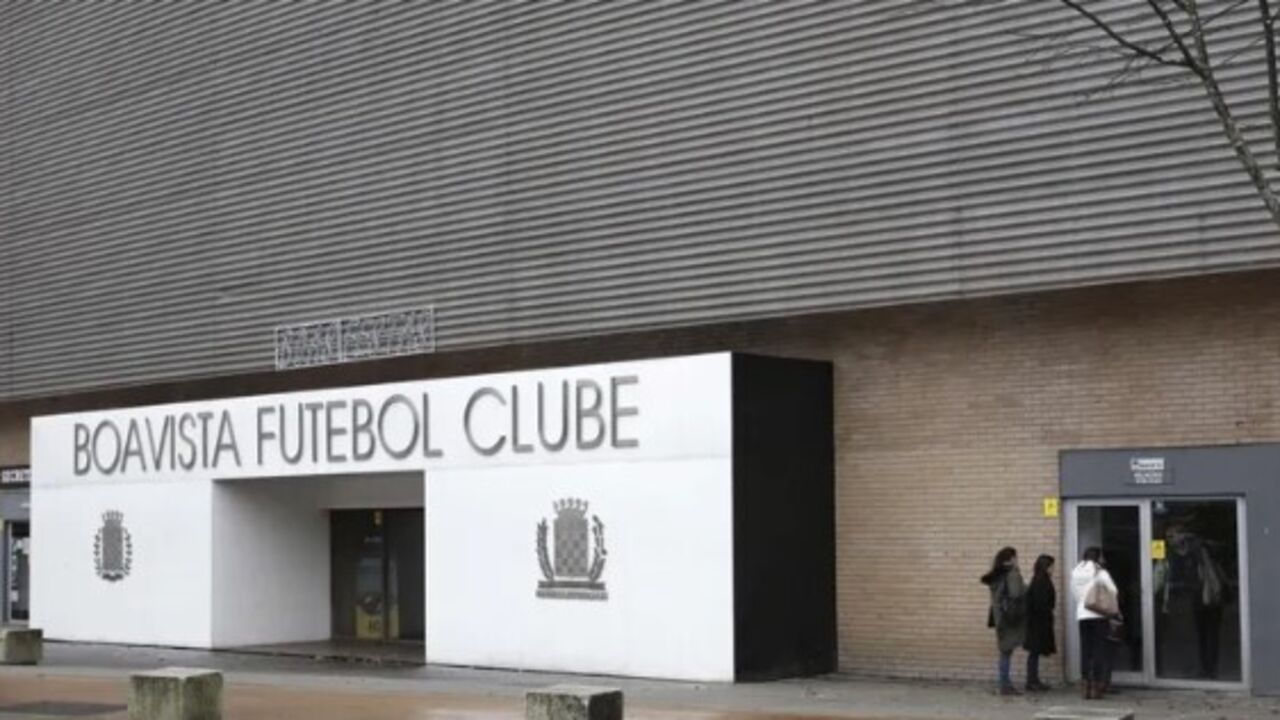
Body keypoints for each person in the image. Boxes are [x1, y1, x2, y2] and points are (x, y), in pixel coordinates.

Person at [1071, 547, 1119, 700]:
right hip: (1099, 614)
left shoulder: (1075, 572)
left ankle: (1086, 686)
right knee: (1099, 650)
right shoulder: (1100, 572)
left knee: (1086, 650)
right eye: (1101, 556)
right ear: (1098, 557)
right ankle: (1096, 687)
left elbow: (1075, 593)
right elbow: (1113, 590)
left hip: (1082, 614)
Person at [981, 546, 1026, 695]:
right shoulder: (1012, 573)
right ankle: (1005, 685)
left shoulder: (996, 575)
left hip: (999, 616)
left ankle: (1004, 683)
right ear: (1012, 558)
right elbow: (1016, 593)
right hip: (1009, 617)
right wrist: (1024, 586)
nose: (1017, 560)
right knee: (1006, 651)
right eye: (1016, 557)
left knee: (1005, 651)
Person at [1023, 554, 1057, 692]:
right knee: (1034, 652)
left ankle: (1033, 680)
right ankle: (1031, 681)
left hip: (1037, 622)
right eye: (1052, 566)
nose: (1053, 569)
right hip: (1037, 623)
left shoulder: (1039, 580)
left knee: (1035, 652)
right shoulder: (1041, 581)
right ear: (1046, 567)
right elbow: (1040, 603)